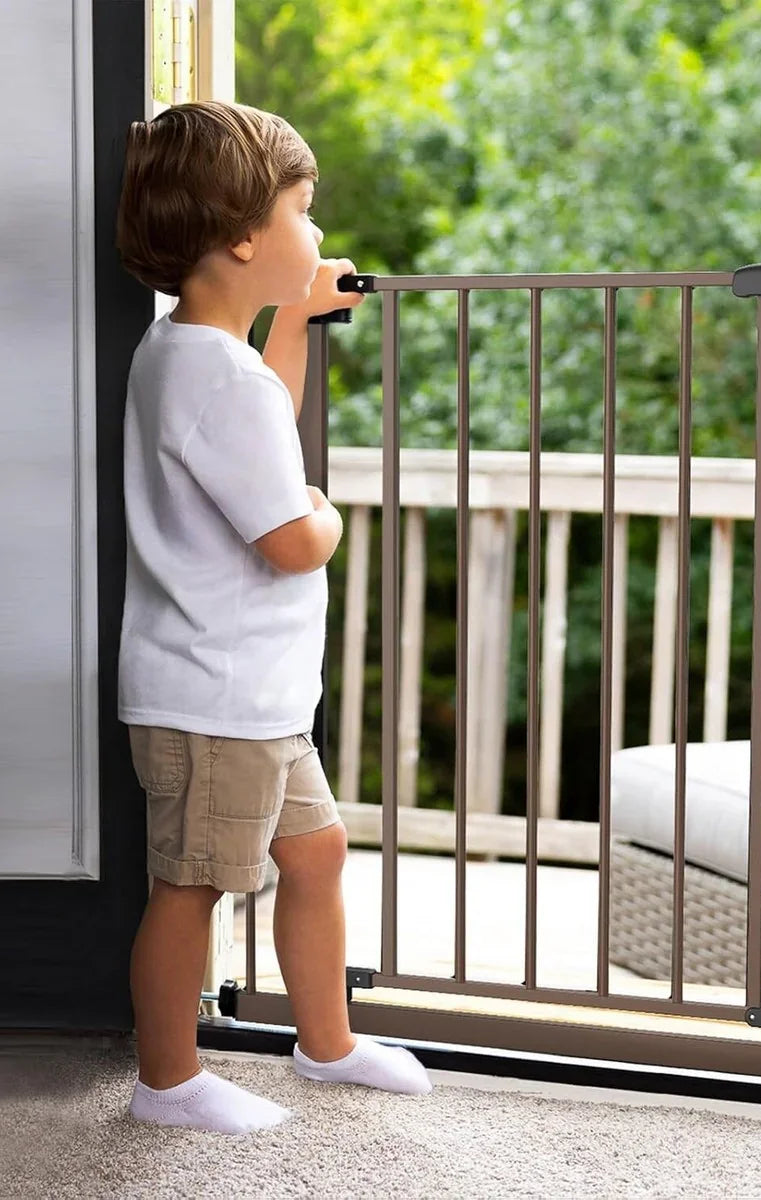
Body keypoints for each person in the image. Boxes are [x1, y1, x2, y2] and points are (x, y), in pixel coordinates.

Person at [115, 100, 432, 1134]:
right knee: (193, 887)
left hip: (245, 695)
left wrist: (291, 322)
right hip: (217, 699)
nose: (319, 236)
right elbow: (289, 531)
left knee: (317, 853)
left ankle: (327, 1043)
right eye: (307, 211)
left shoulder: (194, 355)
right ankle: (167, 1082)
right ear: (246, 236)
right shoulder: (215, 379)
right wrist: (328, 516)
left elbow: (261, 446)